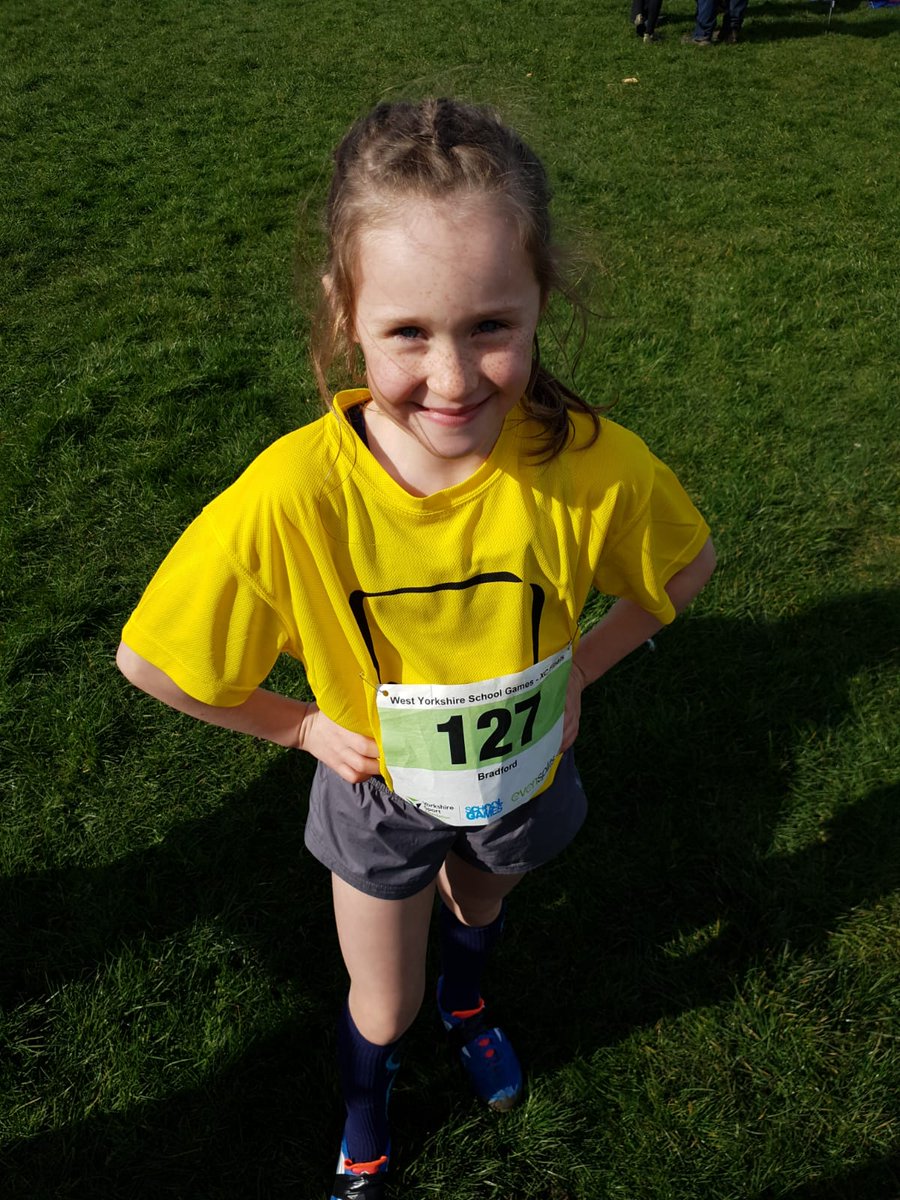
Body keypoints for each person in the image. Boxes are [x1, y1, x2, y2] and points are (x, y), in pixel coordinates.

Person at [117, 98, 716, 1199]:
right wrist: (297, 724)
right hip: (382, 794)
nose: (452, 378)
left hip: (523, 774)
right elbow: (155, 662)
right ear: (347, 313)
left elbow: (683, 571)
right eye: (409, 333)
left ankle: (474, 1001)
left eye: (492, 326)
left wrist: (579, 669)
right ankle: (365, 1118)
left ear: (544, 304)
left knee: (480, 907)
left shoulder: (590, 464)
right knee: (380, 1002)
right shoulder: (292, 495)